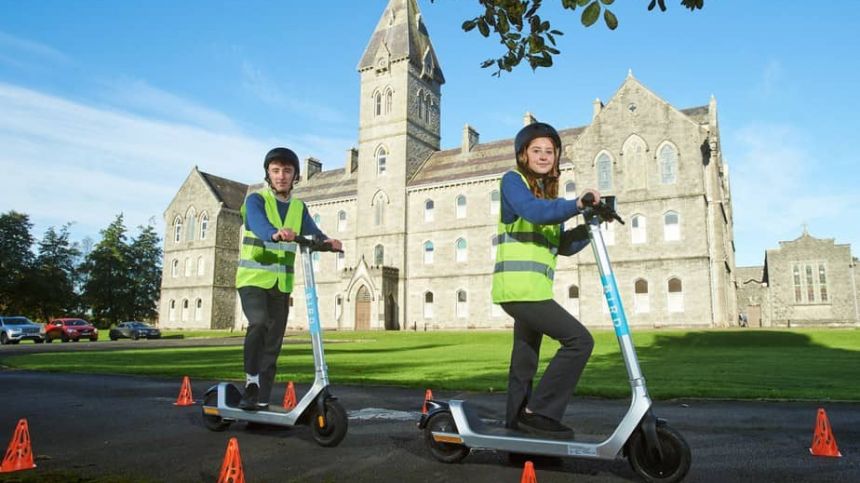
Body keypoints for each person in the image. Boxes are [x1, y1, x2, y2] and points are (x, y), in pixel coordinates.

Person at [492, 122, 603, 439]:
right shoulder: (513, 183)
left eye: (549, 151)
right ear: (523, 155)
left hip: (534, 291)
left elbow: (563, 246)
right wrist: (576, 205)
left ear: (556, 158)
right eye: (536, 150)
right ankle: (539, 412)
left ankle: (517, 435)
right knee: (579, 341)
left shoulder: (547, 197)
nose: (543, 156)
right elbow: (534, 212)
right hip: (518, 290)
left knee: (524, 363)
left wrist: (591, 224)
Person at [235, 147, 343, 410]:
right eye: (275, 171)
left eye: (286, 170)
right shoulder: (256, 200)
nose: (281, 176)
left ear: (295, 175)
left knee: (273, 344)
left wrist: (327, 241)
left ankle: (261, 402)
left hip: (281, 285)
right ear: (268, 174)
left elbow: (312, 232)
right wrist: (273, 233)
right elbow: (259, 225)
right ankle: (251, 382)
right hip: (253, 280)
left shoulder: (298, 207)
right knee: (259, 323)